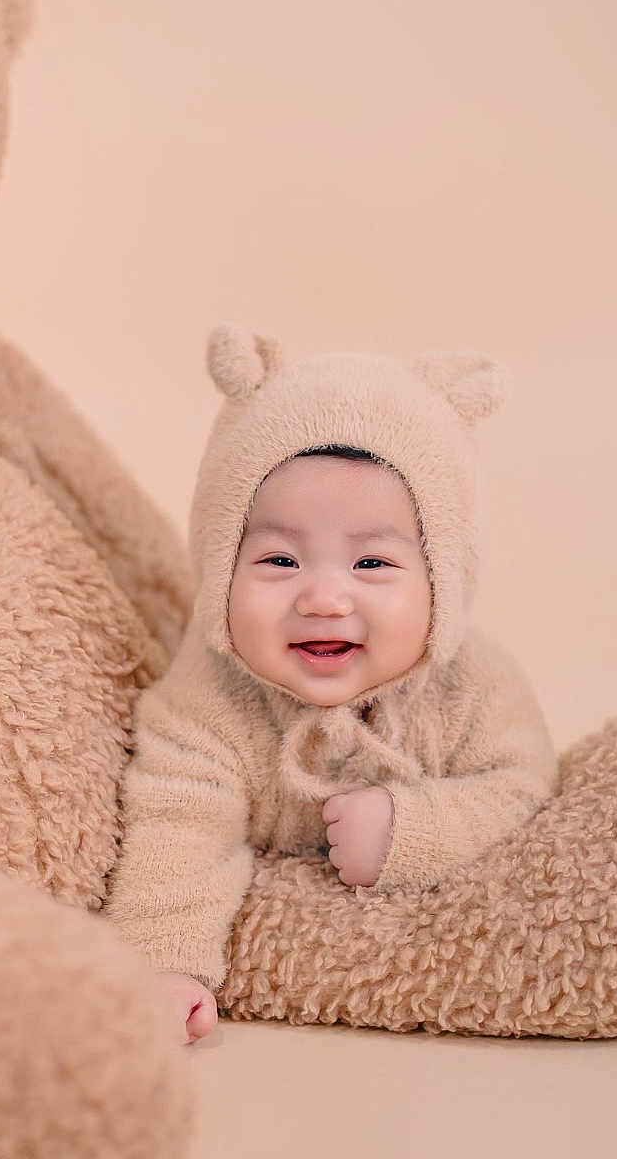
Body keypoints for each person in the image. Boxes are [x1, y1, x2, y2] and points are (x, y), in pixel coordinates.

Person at [104, 325, 558, 1043]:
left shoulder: (475, 686)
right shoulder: (209, 693)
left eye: (372, 565)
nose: (322, 598)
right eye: (280, 560)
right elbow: (178, 821)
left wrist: (410, 830)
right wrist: (164, 965)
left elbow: (521, 787)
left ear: (443, 581)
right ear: (221, 567)